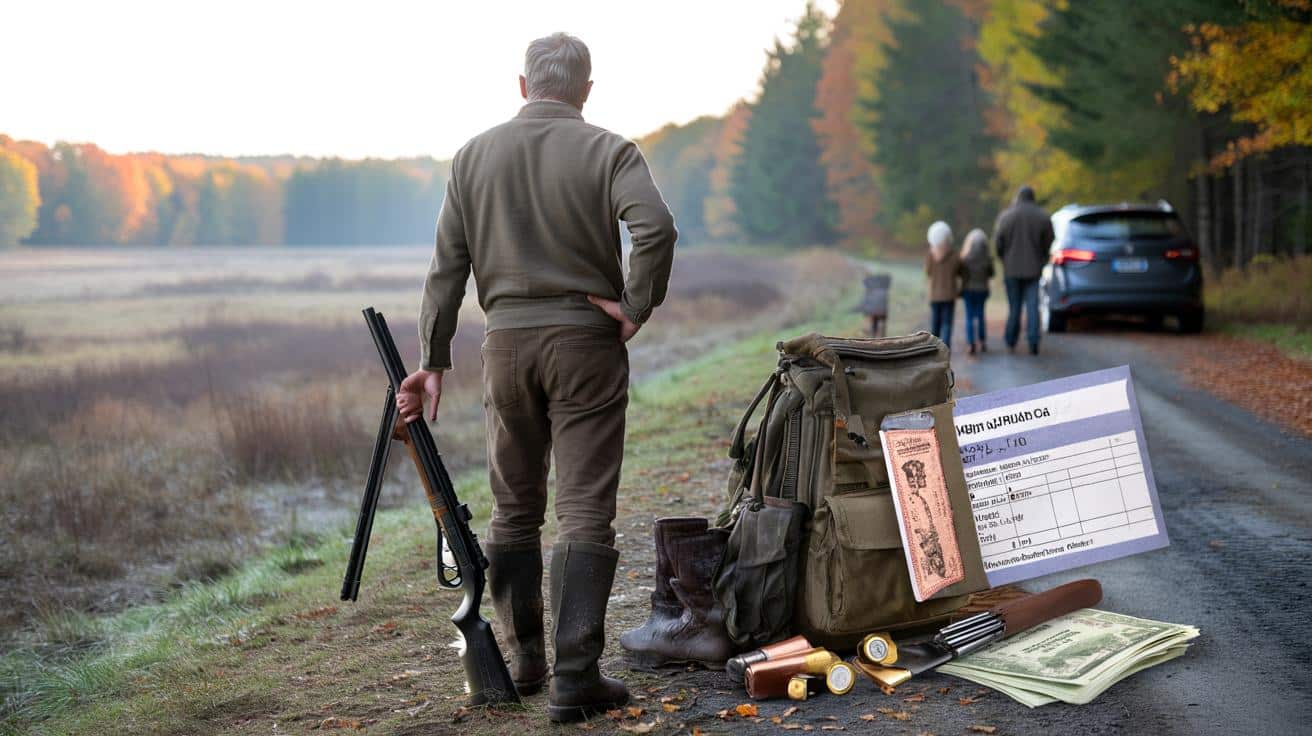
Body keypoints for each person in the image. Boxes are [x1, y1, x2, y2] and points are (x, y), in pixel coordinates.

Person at [394, 33, 677, 723]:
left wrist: (430, 359)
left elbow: (446, 269)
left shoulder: (472, 157)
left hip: (507, 346)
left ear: (523, 85)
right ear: (585, 89)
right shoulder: (611, 150)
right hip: (587, 344)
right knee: (585, 510)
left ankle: (525, 662)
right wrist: (635, 307)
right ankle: (576, 677)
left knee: (514, 506)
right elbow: (657, 228)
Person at [993, 185, 1055, 355]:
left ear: (1018, 197)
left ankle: (1011, 340)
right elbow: (1050, 240)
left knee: (1015, 307)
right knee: (1033, 306)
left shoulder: (1006, 217)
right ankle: (1033, 341)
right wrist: (1041, 259)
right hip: (1034, 269)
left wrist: (1004, 259)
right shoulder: (1042, 216)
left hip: (1011, 270)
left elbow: (998, 243)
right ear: (1032, 197)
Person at [958, 228, 994, 355]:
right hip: (982, 290)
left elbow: (961, 273)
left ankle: (971, 343)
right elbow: (991, 273)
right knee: (980, 315)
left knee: (969, 316)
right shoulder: (987, 258)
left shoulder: (965, 258)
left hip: (968, 290)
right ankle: (982, 341)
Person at [924, 221, 960, 350]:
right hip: (949, 295)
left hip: (934, 295)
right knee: (947, 324)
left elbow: (927, 272)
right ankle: (945, 349)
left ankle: (934, 349)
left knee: (935, 324)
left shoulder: (931, 255)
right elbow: (960, 271)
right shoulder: (954, 255)